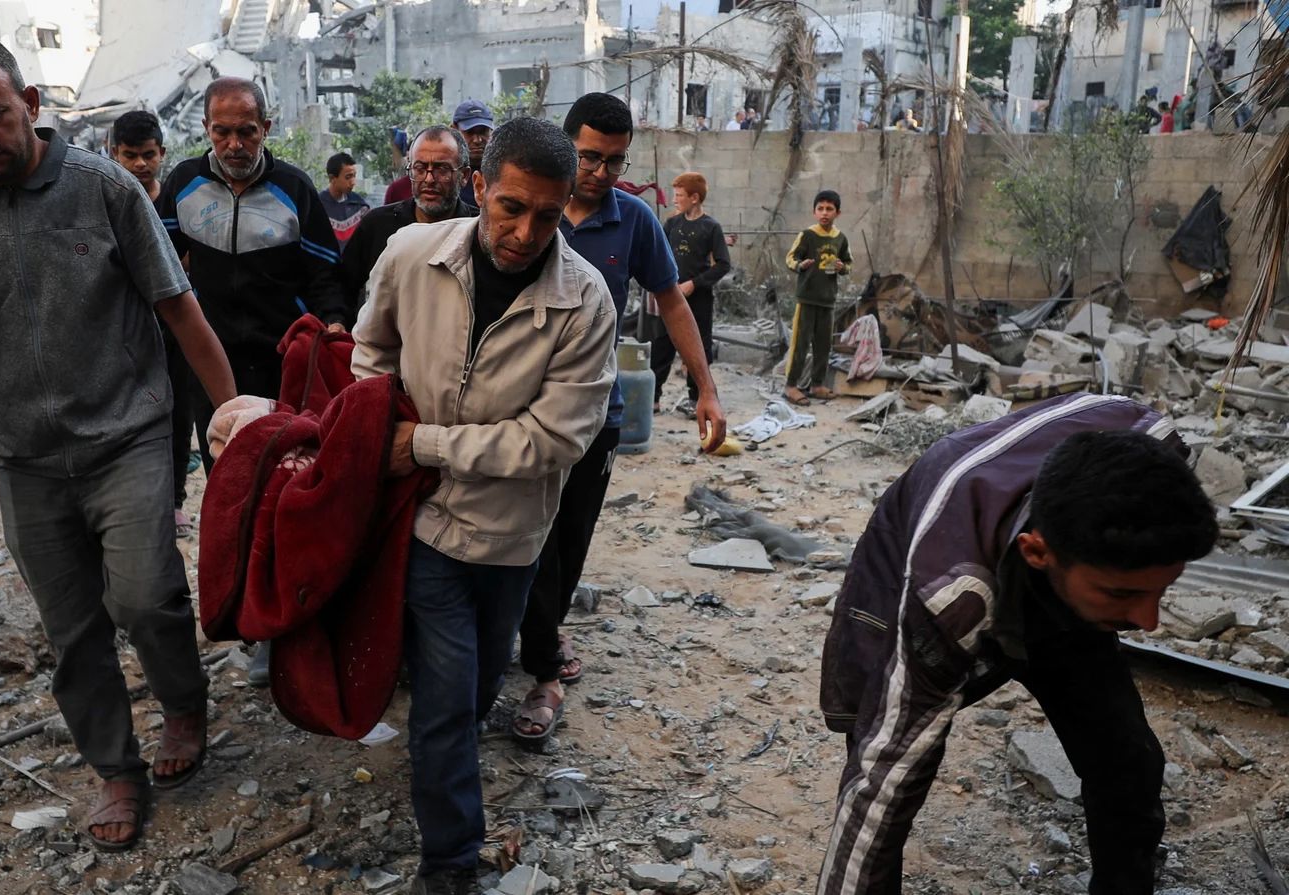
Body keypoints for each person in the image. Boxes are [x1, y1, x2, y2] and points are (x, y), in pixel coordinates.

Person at [0, 34, 238, 853]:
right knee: (71, 629)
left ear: (30, 104)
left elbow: (180, 310)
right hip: (27, 458)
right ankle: (117, 767)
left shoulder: (105, 187)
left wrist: (237, 421)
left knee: (146, 597)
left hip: (129, 436)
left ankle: (183, 704)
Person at [351, 116, 619, 895]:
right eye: (510, 208)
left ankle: (451, 767)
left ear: (567, 204)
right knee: (443, 694)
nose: (526, 230)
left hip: (511, 536)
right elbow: (371, 349)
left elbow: (552, 440)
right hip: (424, 520)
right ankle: (450, 862)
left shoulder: (587, 302)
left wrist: (422, 445)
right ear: (478, 188)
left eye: (546, 213)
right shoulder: (408, 253)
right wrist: (380, 419)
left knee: (475, 688)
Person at [816, 397, 1218, 895]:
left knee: (1126, 760)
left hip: (1059, 589)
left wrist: (1108, 597)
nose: (1148, 621)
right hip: (913, 555)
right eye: (1124, 593)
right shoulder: (948, 596)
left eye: (1163, 588)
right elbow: (879, 789)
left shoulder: (1154, 451)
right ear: (1038, 552)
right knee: (888, 758)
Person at [510, 93, 726, 747]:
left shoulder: (633, 220)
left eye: (614, 160)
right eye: (589, 157)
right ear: (565, 146)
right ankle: (542, 659)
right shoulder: (527, 212)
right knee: (525, 538)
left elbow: (672, 303)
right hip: (519, 413)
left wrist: (705, 388)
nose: (602, 171)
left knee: (570, 539)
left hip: (596, 414)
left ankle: (541, 632)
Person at [158, 76, 345, 686]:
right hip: (208, 366)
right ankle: (249, 615)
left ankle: (291, 613)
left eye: (247, 130)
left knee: (285, 489)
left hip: (278, 363)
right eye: (222, 130)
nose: (234, 143)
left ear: (267, 128)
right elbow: (156, 261)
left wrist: (331, 329)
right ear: (206, 129)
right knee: (230, 489)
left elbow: (324, 274)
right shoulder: (182, 184)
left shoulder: (294, 189)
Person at [111, 109, 198, 529]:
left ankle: (175, 496)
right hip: (124, 326)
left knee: (179, 410)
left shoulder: (176, 202)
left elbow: (186, 263)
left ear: (162, 153)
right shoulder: (107, 200)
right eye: (131, 156)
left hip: (174, 323)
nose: (141, 164)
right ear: (115, 154)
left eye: (148, 155)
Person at [339, 125, 476, 315]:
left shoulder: (478, 231)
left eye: (441, 169)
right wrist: (336, 321)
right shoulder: (378, 226)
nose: (429, 179)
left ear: (464, 176)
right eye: (420, 168)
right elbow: (341, 286)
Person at [655, 171, 731, 416]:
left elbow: (723, 264)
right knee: (661, 346)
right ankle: (653, 397)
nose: (675, 199)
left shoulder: (711, 227)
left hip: (699, 299)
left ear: (695, 198)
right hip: (670, 297)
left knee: (699, 349)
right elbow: (659, 255)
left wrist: (694, 284)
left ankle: (696, 399)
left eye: (679, 195)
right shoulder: (672, 225)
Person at [783, 189, 850, 405]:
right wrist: (800, 266)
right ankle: (791, 386)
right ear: (814, 212)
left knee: (823, 345)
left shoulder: (840, 238)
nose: (824, 213)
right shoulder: (808, 235)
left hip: (827, 300)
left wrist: (842, 267)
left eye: (829, 209)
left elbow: (848, 263)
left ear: (837, 213)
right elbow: (791, 258)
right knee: (800, 344)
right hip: (807, 299)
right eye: (820, 209)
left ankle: (817, 384)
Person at [320, 151, 370, 247]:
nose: (353, 182)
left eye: (354, 176)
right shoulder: (318, 205)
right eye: (348, 177)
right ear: (332, 178)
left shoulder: (359, 206)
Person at [452, 98, 494, 207]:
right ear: (453, 130)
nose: (477, 140)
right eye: (469, 132)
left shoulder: (500, 172)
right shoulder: (446, 174)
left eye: (483, 132)